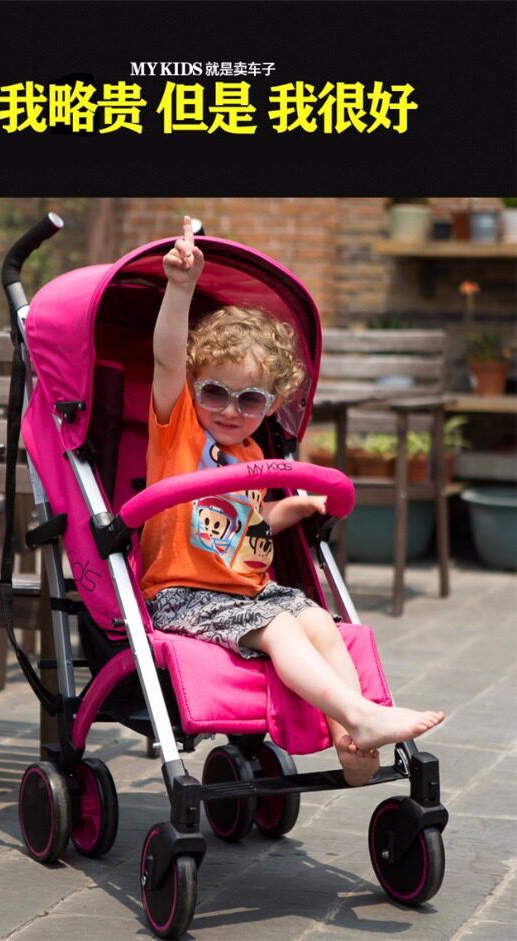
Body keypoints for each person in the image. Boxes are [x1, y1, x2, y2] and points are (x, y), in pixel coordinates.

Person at [140, 216, 444, 786]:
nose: (230, 410)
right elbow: (166, 359)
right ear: (194, 386)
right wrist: (180, 288)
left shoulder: (254, 452)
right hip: (185, 593)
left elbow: (244, 527)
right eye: (214, 392)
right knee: (282, 627)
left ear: (272, 403)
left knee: (318, 620)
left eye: (250, 399)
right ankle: (361, 714)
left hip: (247, 590)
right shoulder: (177, 429)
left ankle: (350, 736)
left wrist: (288, 512)